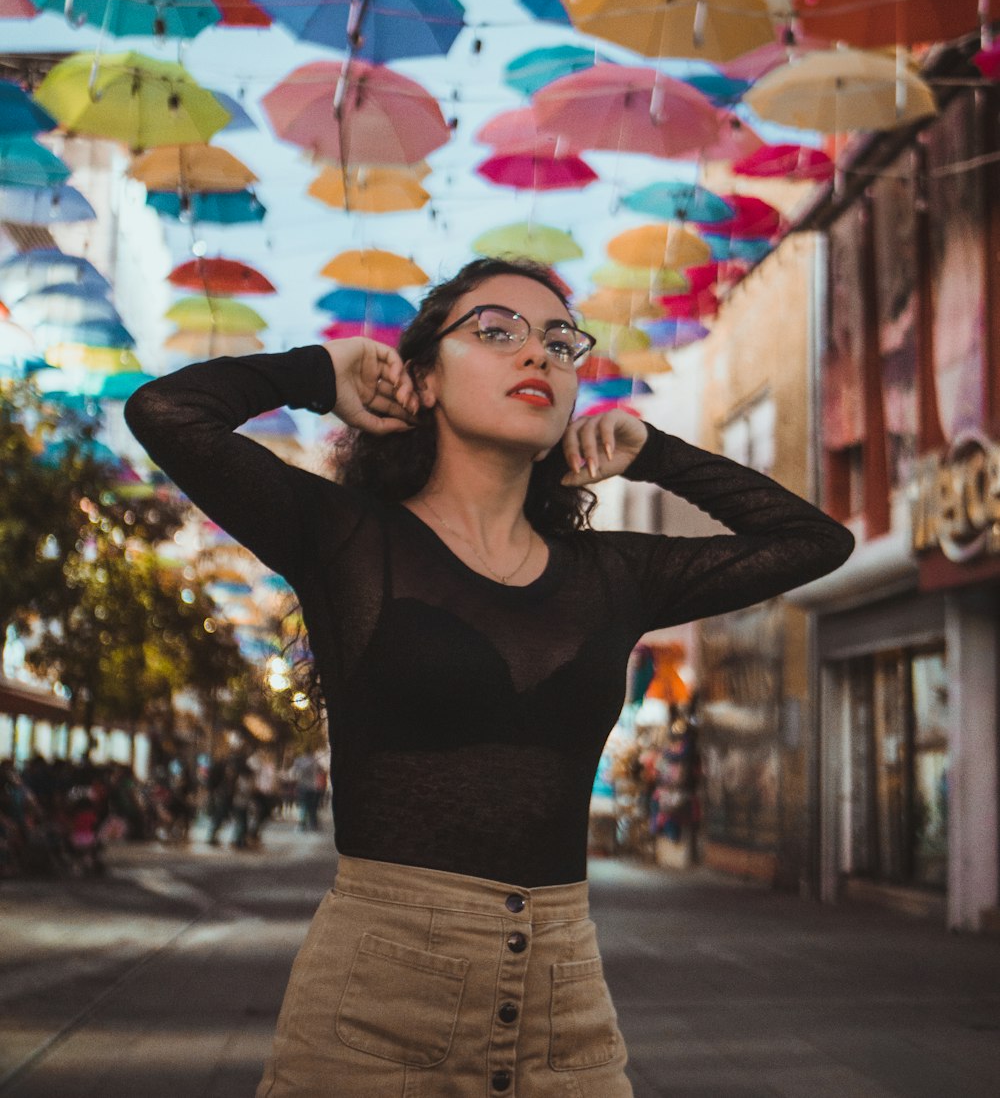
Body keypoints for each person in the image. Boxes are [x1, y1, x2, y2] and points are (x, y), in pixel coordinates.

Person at [125, 257, 854, 1096]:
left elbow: (813, 543)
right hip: (375, 1005)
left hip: (567, 1004)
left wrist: (652, 454)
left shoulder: (612, 572)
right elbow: (166, 412)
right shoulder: (348, 540)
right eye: (496, 331)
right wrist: (324, 372)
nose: (538, 355)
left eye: (560, 342)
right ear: (422, 379)